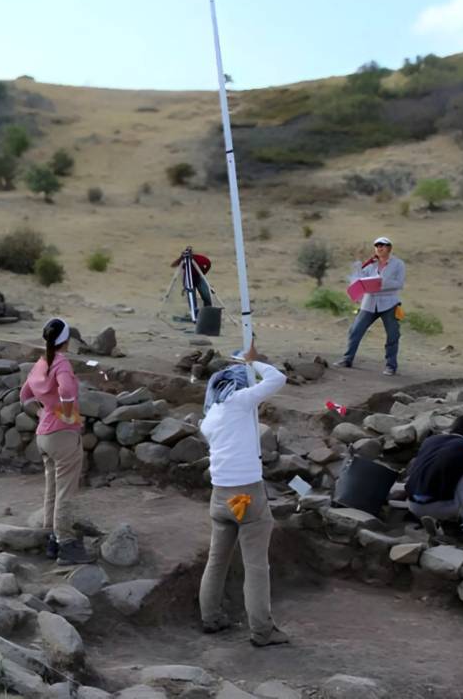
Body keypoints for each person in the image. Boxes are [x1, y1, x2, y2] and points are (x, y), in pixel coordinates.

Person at [198, 341, 289, 647]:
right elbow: (277, 379)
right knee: (256, 566)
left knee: (216, 560)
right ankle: (262, 631)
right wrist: (254, 362)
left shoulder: (210, 418)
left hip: (220, 497)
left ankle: (210, 617)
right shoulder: (240, 402)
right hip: (248, 495)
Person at [19, 317, 92, 566]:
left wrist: (42, 412)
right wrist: (68, 415)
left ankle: (51, 536)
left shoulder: (40, 363)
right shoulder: (61, 364)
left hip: (44, 435)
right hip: (62, 436)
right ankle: (67, 544)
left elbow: (25, 396)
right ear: (66, 340)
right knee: (65, 492)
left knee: (52, 489)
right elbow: (67, 392)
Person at [335, 236, 406, 376]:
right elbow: (358, 280)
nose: (380, 248)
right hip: (369, 303)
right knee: (355, 330)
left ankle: (391, 366)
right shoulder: (370, 264)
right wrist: (357, 293)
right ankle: (347, 359)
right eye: (377, 245)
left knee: (393, 334)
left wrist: (380, 284)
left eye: (383, 245)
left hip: (389, 303)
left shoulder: (398, 264)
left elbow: (399, 284)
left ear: (389, 248)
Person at [171, 247, 213, 318]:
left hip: (199, 278)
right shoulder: (183, 261)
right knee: (192, 299)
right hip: (188, 280)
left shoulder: (200, 259)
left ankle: (208, 313)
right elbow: (173, 265)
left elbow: (208, 264)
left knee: (206, 296)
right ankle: (194, 314)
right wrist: (181, 258)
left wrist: (202, 273)